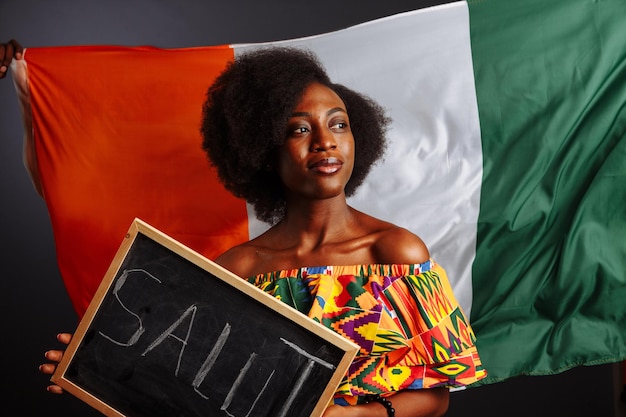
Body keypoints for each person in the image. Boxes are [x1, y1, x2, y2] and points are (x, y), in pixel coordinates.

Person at [6, 43, 485, 416]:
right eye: (299, 130)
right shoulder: (238, 269)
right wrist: (98, 369)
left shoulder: (395, 251)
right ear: (262, 149)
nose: (324, 142)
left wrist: (360, 415)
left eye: (338, 124)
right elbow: (200, 397)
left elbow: (436, 395)